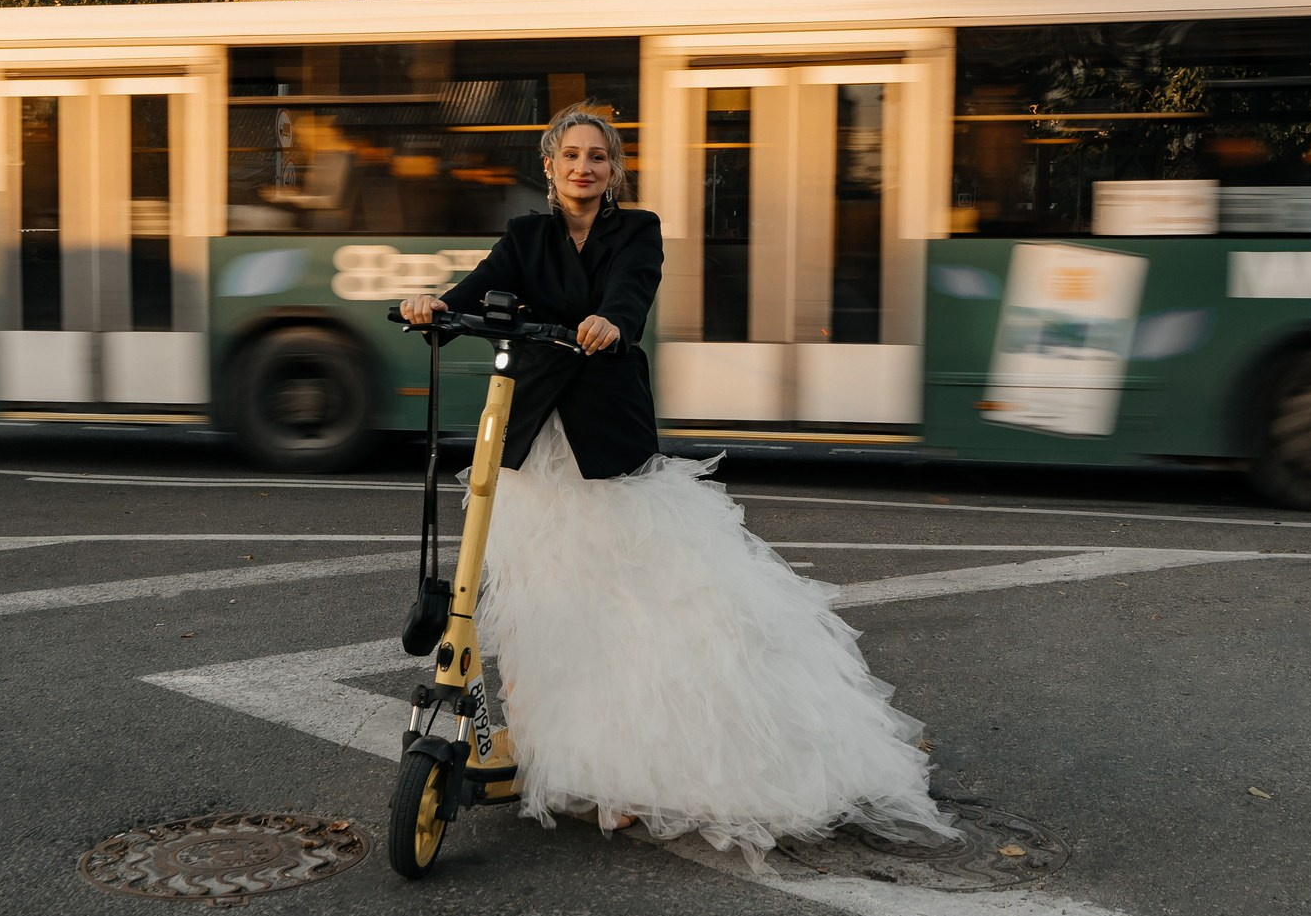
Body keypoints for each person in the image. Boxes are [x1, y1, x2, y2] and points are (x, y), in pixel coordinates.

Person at [399, 104, 955, 869]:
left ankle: (627, 768)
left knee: (625, 604)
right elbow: (477, 289)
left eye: (598, 157)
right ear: (550, 165)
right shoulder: (525, 236)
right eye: (571, 155)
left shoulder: (639, 229)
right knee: (541, 601)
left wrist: (608, 323)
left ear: (614, 168)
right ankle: (553, 750)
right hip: (536, 443)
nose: (584, 168)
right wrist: (432, 305)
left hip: (607, 435)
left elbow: (631, 292)